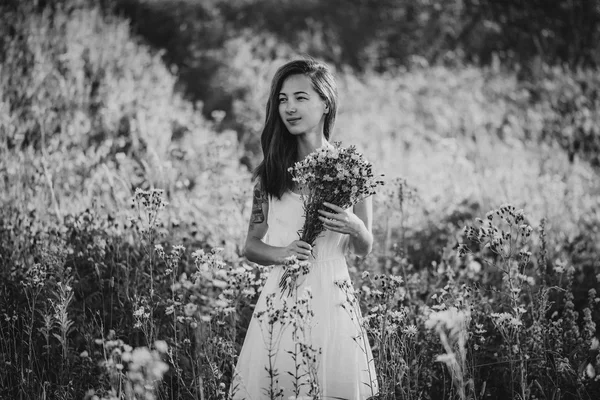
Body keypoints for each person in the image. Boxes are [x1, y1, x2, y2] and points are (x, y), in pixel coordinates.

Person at [231, 59, 378, 399]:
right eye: (282, 99)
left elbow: (365, 246)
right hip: (281, 298)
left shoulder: (353, 170)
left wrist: (354, 225)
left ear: (325, 103)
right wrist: (283, 253)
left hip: (334, 293)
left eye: (300, 98)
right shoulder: (271, 173)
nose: (289, 108)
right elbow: (251, 246)